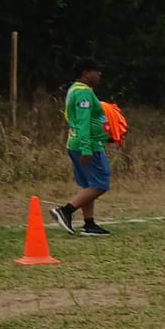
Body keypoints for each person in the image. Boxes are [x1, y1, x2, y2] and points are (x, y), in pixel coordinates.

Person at [51, 58, 113, 237]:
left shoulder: (75, 90)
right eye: (96, 70)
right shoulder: (83, 93)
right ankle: (66, 211)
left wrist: (105, 135)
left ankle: (89, 224)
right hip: (87, 146)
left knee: (89, 185)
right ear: (86, 73)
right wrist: (86, 149)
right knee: (101, 183)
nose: (99, 74)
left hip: (78, 143)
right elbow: (83, 122)